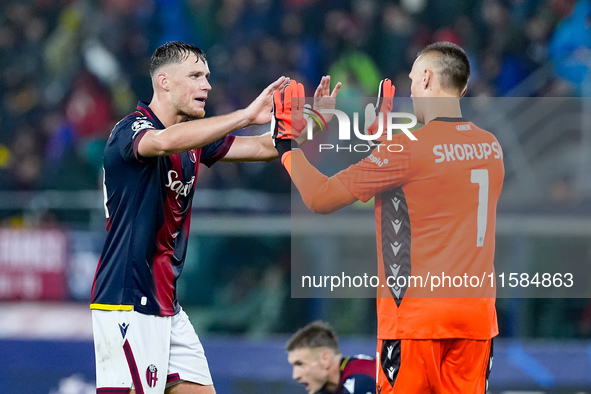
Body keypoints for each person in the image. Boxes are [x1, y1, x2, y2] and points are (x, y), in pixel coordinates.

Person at [90, 41, 340, 394]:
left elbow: (262, 147)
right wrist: (245, 116)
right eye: (194, 76)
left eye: (207, 76)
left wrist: (315, 123)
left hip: (167, 305)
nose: (206, 85)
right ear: (163, 81)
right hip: (127, 301)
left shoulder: (194, 139)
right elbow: (162, 143)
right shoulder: (129, 131)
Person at [273, 41, 503, 393]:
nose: (409, 90)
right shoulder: (490, 146)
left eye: (411, 80)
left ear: (426, 78)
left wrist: (286, 145)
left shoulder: (408, 150)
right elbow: (430, 195)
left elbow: (320, 197)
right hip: (476, 318)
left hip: (418, 321)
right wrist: (384, 146)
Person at [286, 321, 376, 394]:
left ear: (325, 359)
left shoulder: (360, 381)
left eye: (300, 364)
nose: (295, 376)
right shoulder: (333, 387)